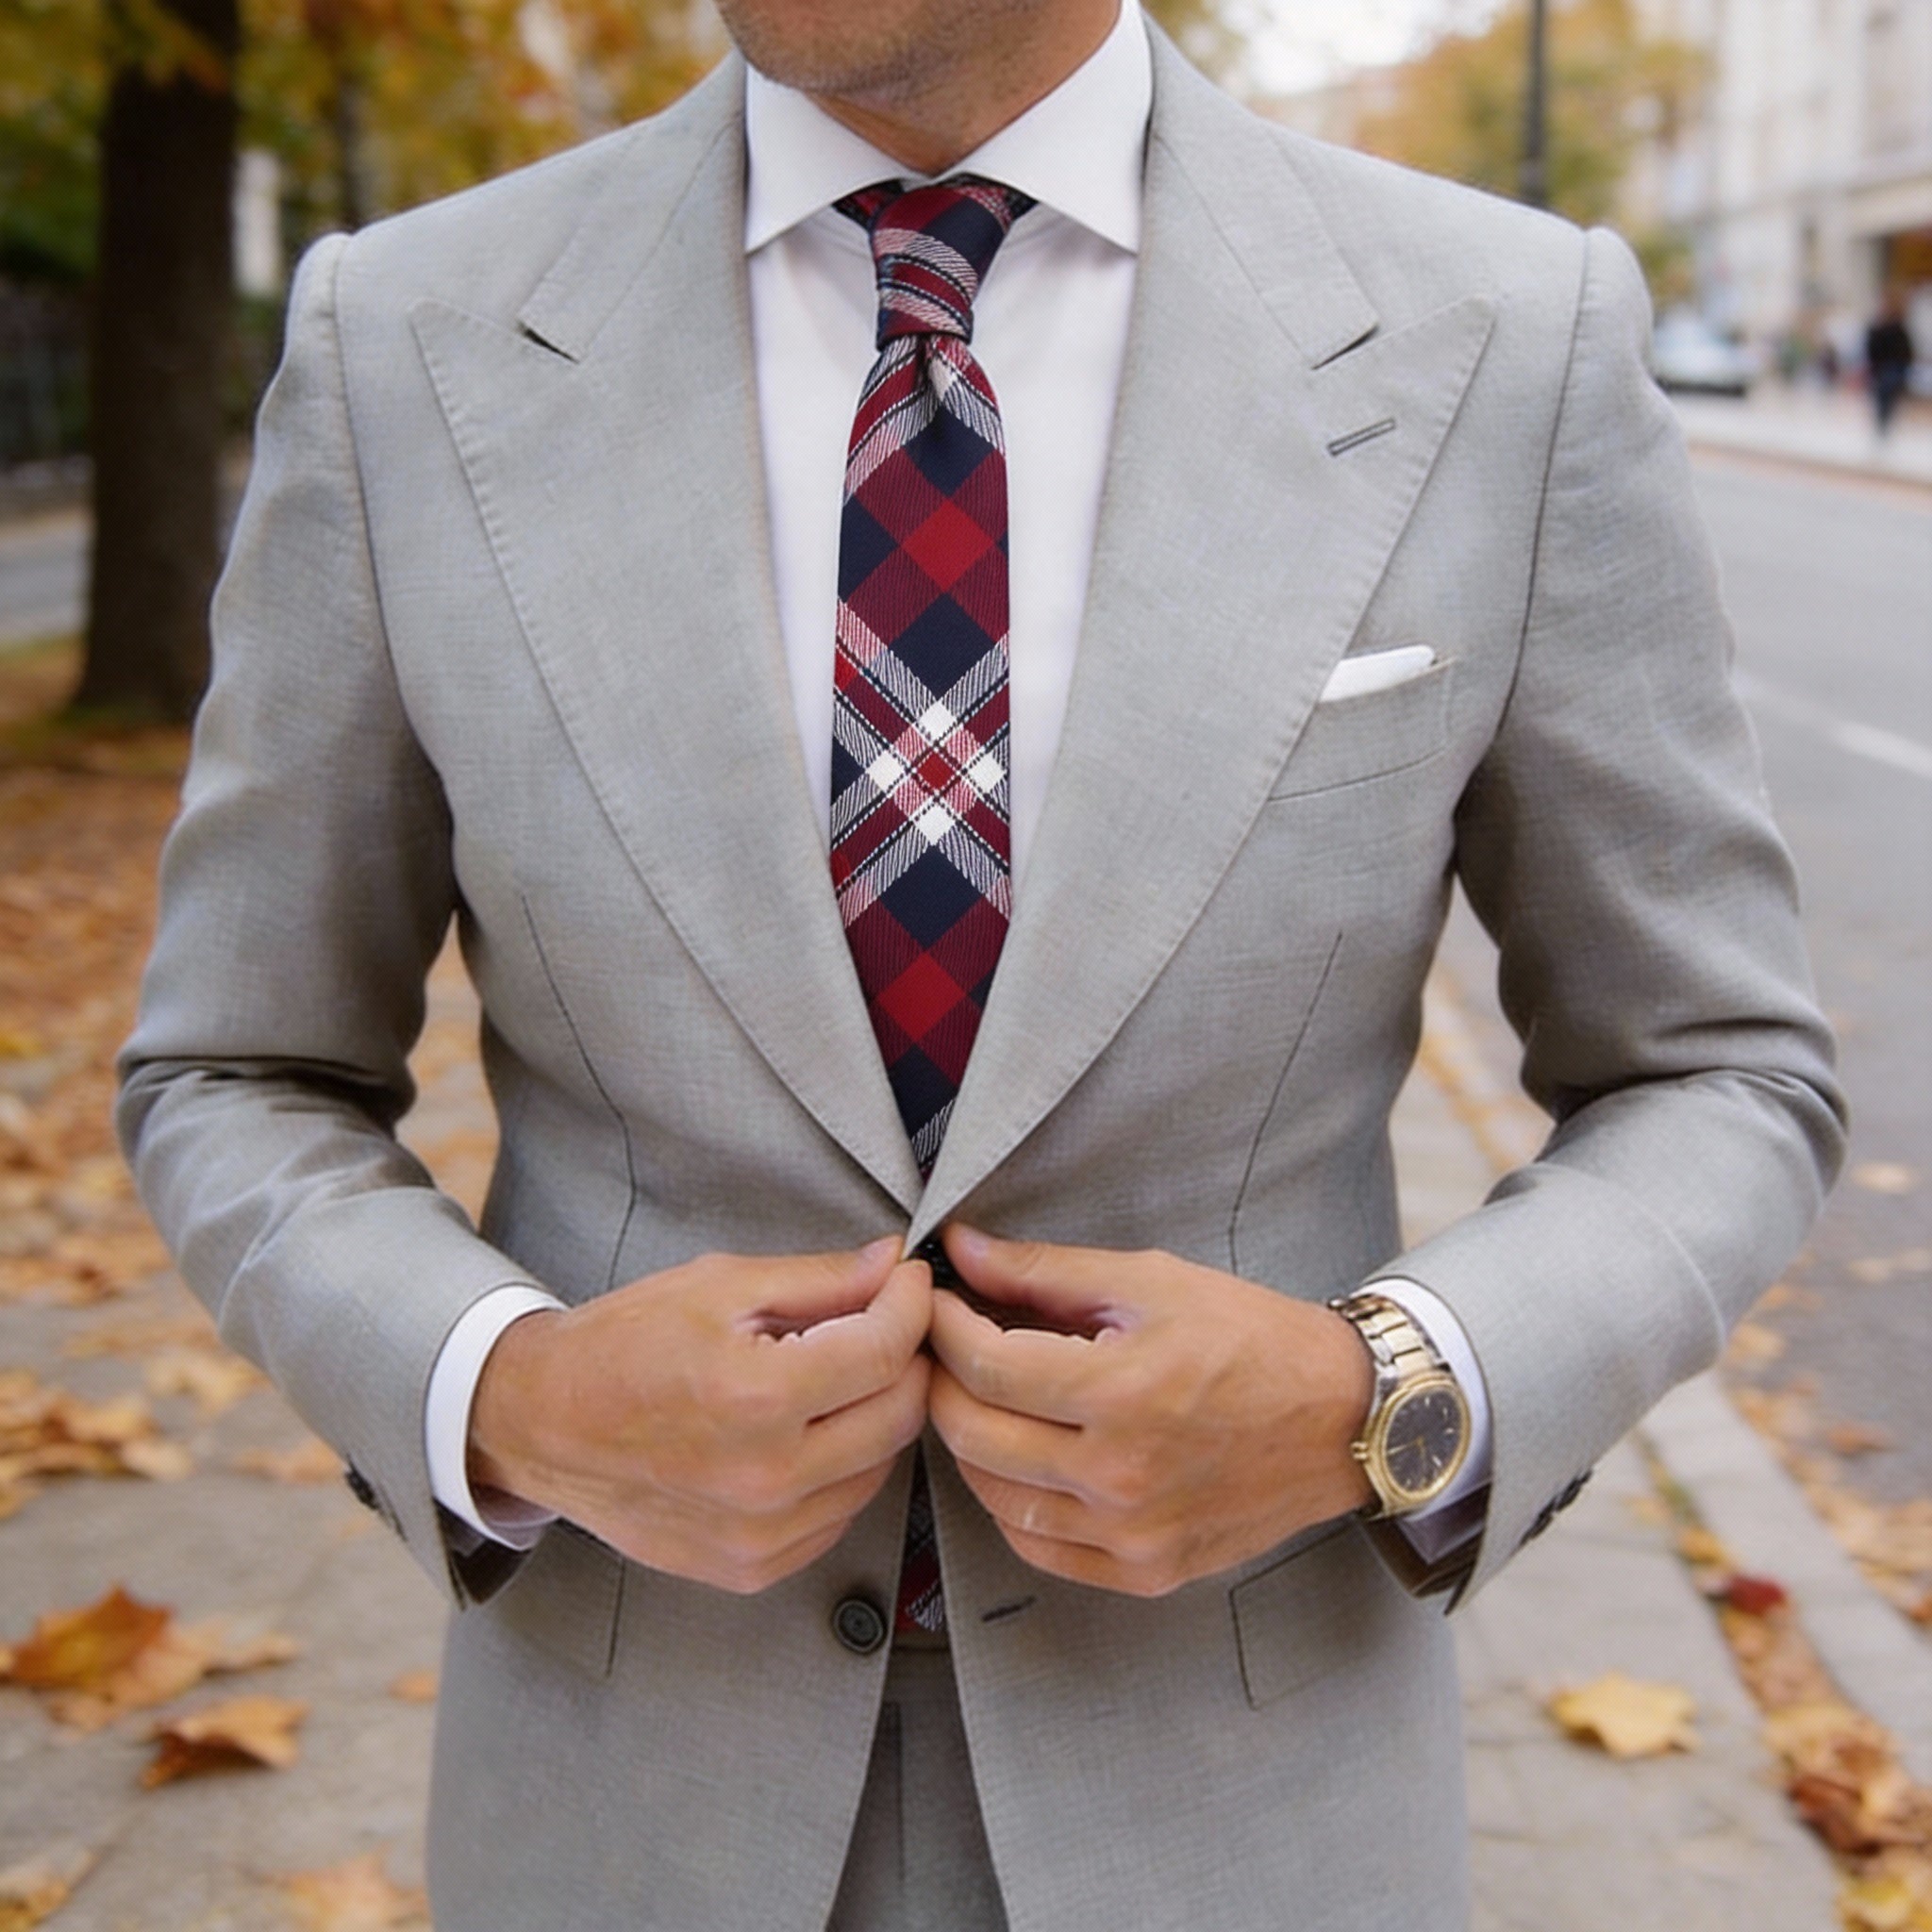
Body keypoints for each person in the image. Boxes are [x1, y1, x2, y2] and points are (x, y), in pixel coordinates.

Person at [118, 3, 1844, 1928]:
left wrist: (1387, 1396)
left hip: (1248, 1808)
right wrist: (502, 1392)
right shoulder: (407, 342)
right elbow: (236, 1064)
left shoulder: (1503, 338)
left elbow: (1717, 1068)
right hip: (629, 1809)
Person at [1867, 291, 1916, 436]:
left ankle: (1883, 426)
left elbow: (1906, 350)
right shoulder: (1884, 327)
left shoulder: (1895, 326)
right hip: (1886, 368)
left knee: (1885, 398)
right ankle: (1883, 426)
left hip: (1890, 368)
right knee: (1884, 398)